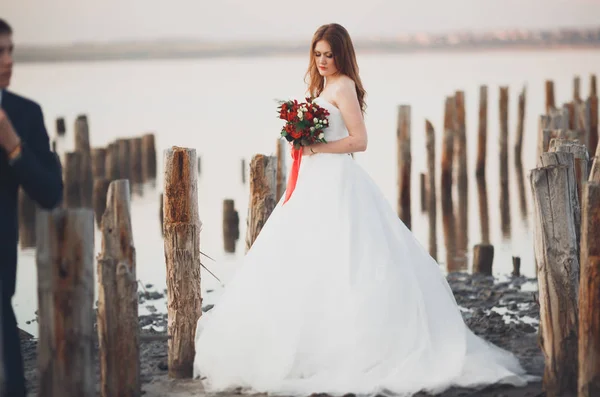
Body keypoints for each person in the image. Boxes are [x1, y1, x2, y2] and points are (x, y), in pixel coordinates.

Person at [193, 23, 536, 396]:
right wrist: (303, 137)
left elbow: (360, 141)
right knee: (302, 258)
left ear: (342, 54)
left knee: (348, 258)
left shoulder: (344, 87)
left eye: (329, 54)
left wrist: (315, 147)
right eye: (318, 54)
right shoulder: (323, 86)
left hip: (337, 181)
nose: (323, 61)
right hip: (314, 181)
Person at [0, 19, 63, 396]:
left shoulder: (25, 114)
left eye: (10, 51)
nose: (8, 60)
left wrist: (14, 147)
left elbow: (50, 193)